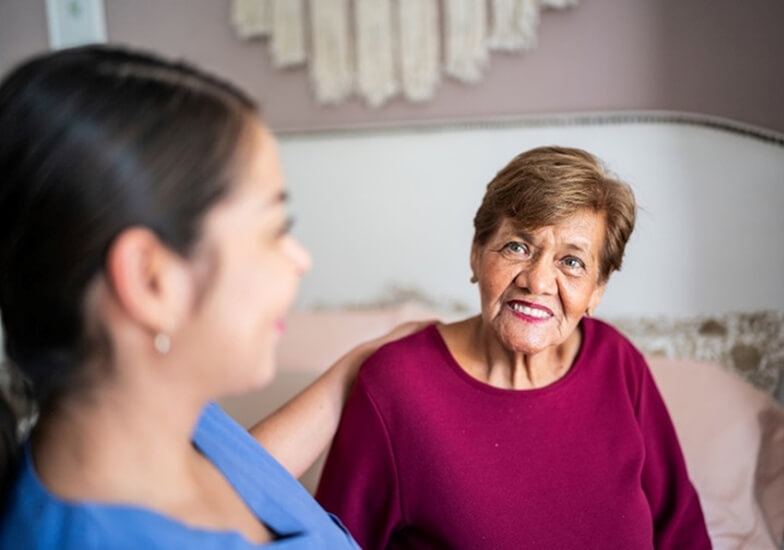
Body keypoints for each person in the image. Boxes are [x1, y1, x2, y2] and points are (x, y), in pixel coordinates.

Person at [0, 45, 422, 549]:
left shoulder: (152, 413)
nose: (299, 259)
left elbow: (246, 482)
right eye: (273, 231)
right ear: (151, 281)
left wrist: (353, 371)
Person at [316, 147, 712, 549]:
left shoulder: (617, 361)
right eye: (517, 247)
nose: (538, 281)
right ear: (476, 255)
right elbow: (324, 542)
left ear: (598, 290)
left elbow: (682, 533)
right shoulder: (396, 384)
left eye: (572, 262)